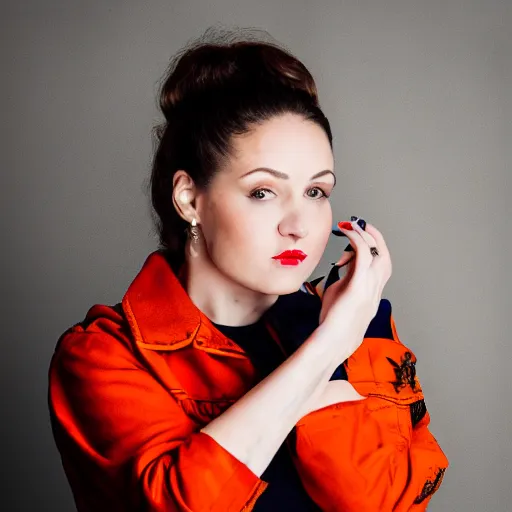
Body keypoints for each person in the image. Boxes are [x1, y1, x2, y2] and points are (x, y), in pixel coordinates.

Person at [48, 28, 447, 511]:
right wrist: (327, 350)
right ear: (190, 200)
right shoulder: (104, 355)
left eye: (317, 192)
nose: (299, 226)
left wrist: (339, 341)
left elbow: (386, 506)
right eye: (263, 192)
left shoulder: (362, 329)